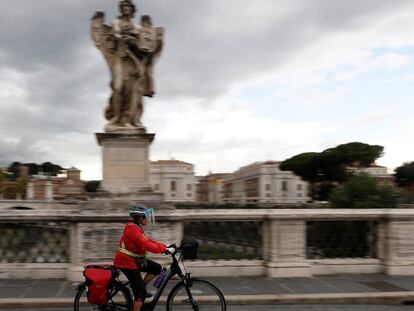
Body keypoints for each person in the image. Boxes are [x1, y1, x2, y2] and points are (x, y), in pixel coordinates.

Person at [113, 205, 175, 311]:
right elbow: (146, 245)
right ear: (140, 218)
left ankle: (138, 286)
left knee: (156, 268)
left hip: (135, 260)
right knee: (141, 293)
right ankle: (139, 292)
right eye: (146, 217)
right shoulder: (132, 229)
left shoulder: (137, 228)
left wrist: (166, 246)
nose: (148, 219)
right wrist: (164, 250)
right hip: (126, 262)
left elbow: (150, 241)